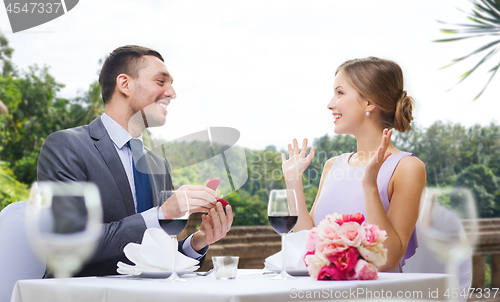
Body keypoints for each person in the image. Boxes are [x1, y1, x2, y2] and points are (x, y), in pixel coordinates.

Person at [37, 45, 233, 276]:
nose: (172, 93)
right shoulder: (66, 146)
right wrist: (161, 215)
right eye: (161, 82)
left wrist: (197, 242)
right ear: (125, 84)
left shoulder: (159, 165)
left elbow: (153, 254)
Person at [281, 57, 426, 272]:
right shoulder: (333, 165)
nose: (330, 104)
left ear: (369, 102)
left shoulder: (407, 167)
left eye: (340, 93)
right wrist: (293, 182)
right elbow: (308, 241)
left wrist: (369, 184)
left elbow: (388, 260)